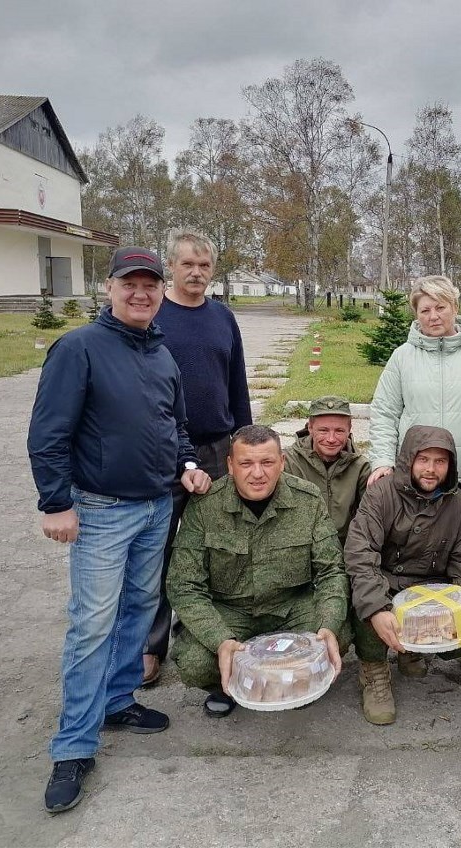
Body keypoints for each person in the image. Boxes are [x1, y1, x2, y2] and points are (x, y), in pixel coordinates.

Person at [28, 246, 212, 814]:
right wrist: (57, 502)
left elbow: (174, 424)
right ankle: (74, 746)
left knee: (138, 607)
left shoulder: (161, 353)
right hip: (102, 511)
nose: (141, 293)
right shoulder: (79, 348)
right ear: (109, 288)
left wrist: (186, 465)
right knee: (92, 624)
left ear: (161, 291)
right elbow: (48, 431)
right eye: (130, 284)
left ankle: (117, 700)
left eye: (150, 285)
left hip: (158, 504)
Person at [366, 275, 461, 677]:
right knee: (413, 557)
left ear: (455, 307)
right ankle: (414, 633)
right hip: (414, 478)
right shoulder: (402, 357)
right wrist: (382, 460)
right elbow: (384, 413)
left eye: (440, 307)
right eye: (425, 309)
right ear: (416, 313)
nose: (433, 316)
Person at [166, 425, 350, 718]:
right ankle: (230, 685)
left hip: (291, 606)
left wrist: (328, 623)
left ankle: (293, 681)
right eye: (246, 463)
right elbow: (184, 585)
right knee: (195, 662)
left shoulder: (308, 499)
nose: (257, 473)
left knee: (335, 634)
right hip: (231, 611)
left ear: (282, 462)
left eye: (267, 462)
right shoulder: (205, 505)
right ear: (230, 465)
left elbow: (331, 572)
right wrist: (221, 640)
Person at [142, 228, 253, 686]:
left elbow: (237, 384)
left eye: (204, 265)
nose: (196, 273)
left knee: (217, 548)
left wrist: (245, 441)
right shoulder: (152, 315)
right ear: (171, 266)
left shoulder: (222, 318)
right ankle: (151, 645)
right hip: (163, 448)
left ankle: (207, 635)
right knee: (159, 549)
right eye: (187, 264)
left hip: (218, 447)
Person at [344, 425, 461, 725]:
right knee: (364, 600)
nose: (431, 469)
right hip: (387, 581)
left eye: (440, 461)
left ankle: (412, 648)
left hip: (430, 587)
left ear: (451, 466)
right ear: (408, 460)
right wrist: (376, 608)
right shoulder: (380, 495)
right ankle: (373, 669)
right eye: (423, 459)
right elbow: (360, 554)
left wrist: (458, 609)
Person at [284, 395, 372, 544]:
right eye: (323, 430)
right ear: (310, 428)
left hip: (346, 548)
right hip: (301, 547)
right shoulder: (288, 462)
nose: (331, 439)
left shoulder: (361, 468)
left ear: (349, 430)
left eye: (339, 431)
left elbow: (369, 521)